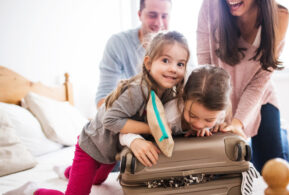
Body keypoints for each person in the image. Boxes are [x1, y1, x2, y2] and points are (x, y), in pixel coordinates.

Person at [5, 31, 189, 195]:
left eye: (180, 64)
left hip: (111, 151)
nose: (174, 68)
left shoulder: (168, 93)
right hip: (91, 146)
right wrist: (152, 129)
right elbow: (111, 121)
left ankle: (67, 171)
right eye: (165, 60)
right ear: (148, 63)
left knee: (98, 181)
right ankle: (33, 190)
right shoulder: (138, 90)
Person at [196, 0, 289, 172]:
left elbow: (260, 81)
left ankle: (281, 132)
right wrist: (218, 114)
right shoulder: (211, 6)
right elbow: (205, 67)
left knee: (273, 169)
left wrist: (238, 123)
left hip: (260, 99)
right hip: (221, 98)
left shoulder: (279, 17)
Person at [119, 65, 232, 167]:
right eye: (192, 115)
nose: (199, 124)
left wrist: (212, 127)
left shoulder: (219, 113)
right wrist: (135, 141)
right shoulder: (170, 115)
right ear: (183, 97)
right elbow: (123, 131)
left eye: (208, 119)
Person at [95, 0, 172, 108]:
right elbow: (103, 98)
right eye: (152, 15)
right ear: (139, 15)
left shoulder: (179, 47)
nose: (159, 23)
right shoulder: (118, 43)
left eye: (164, 16)